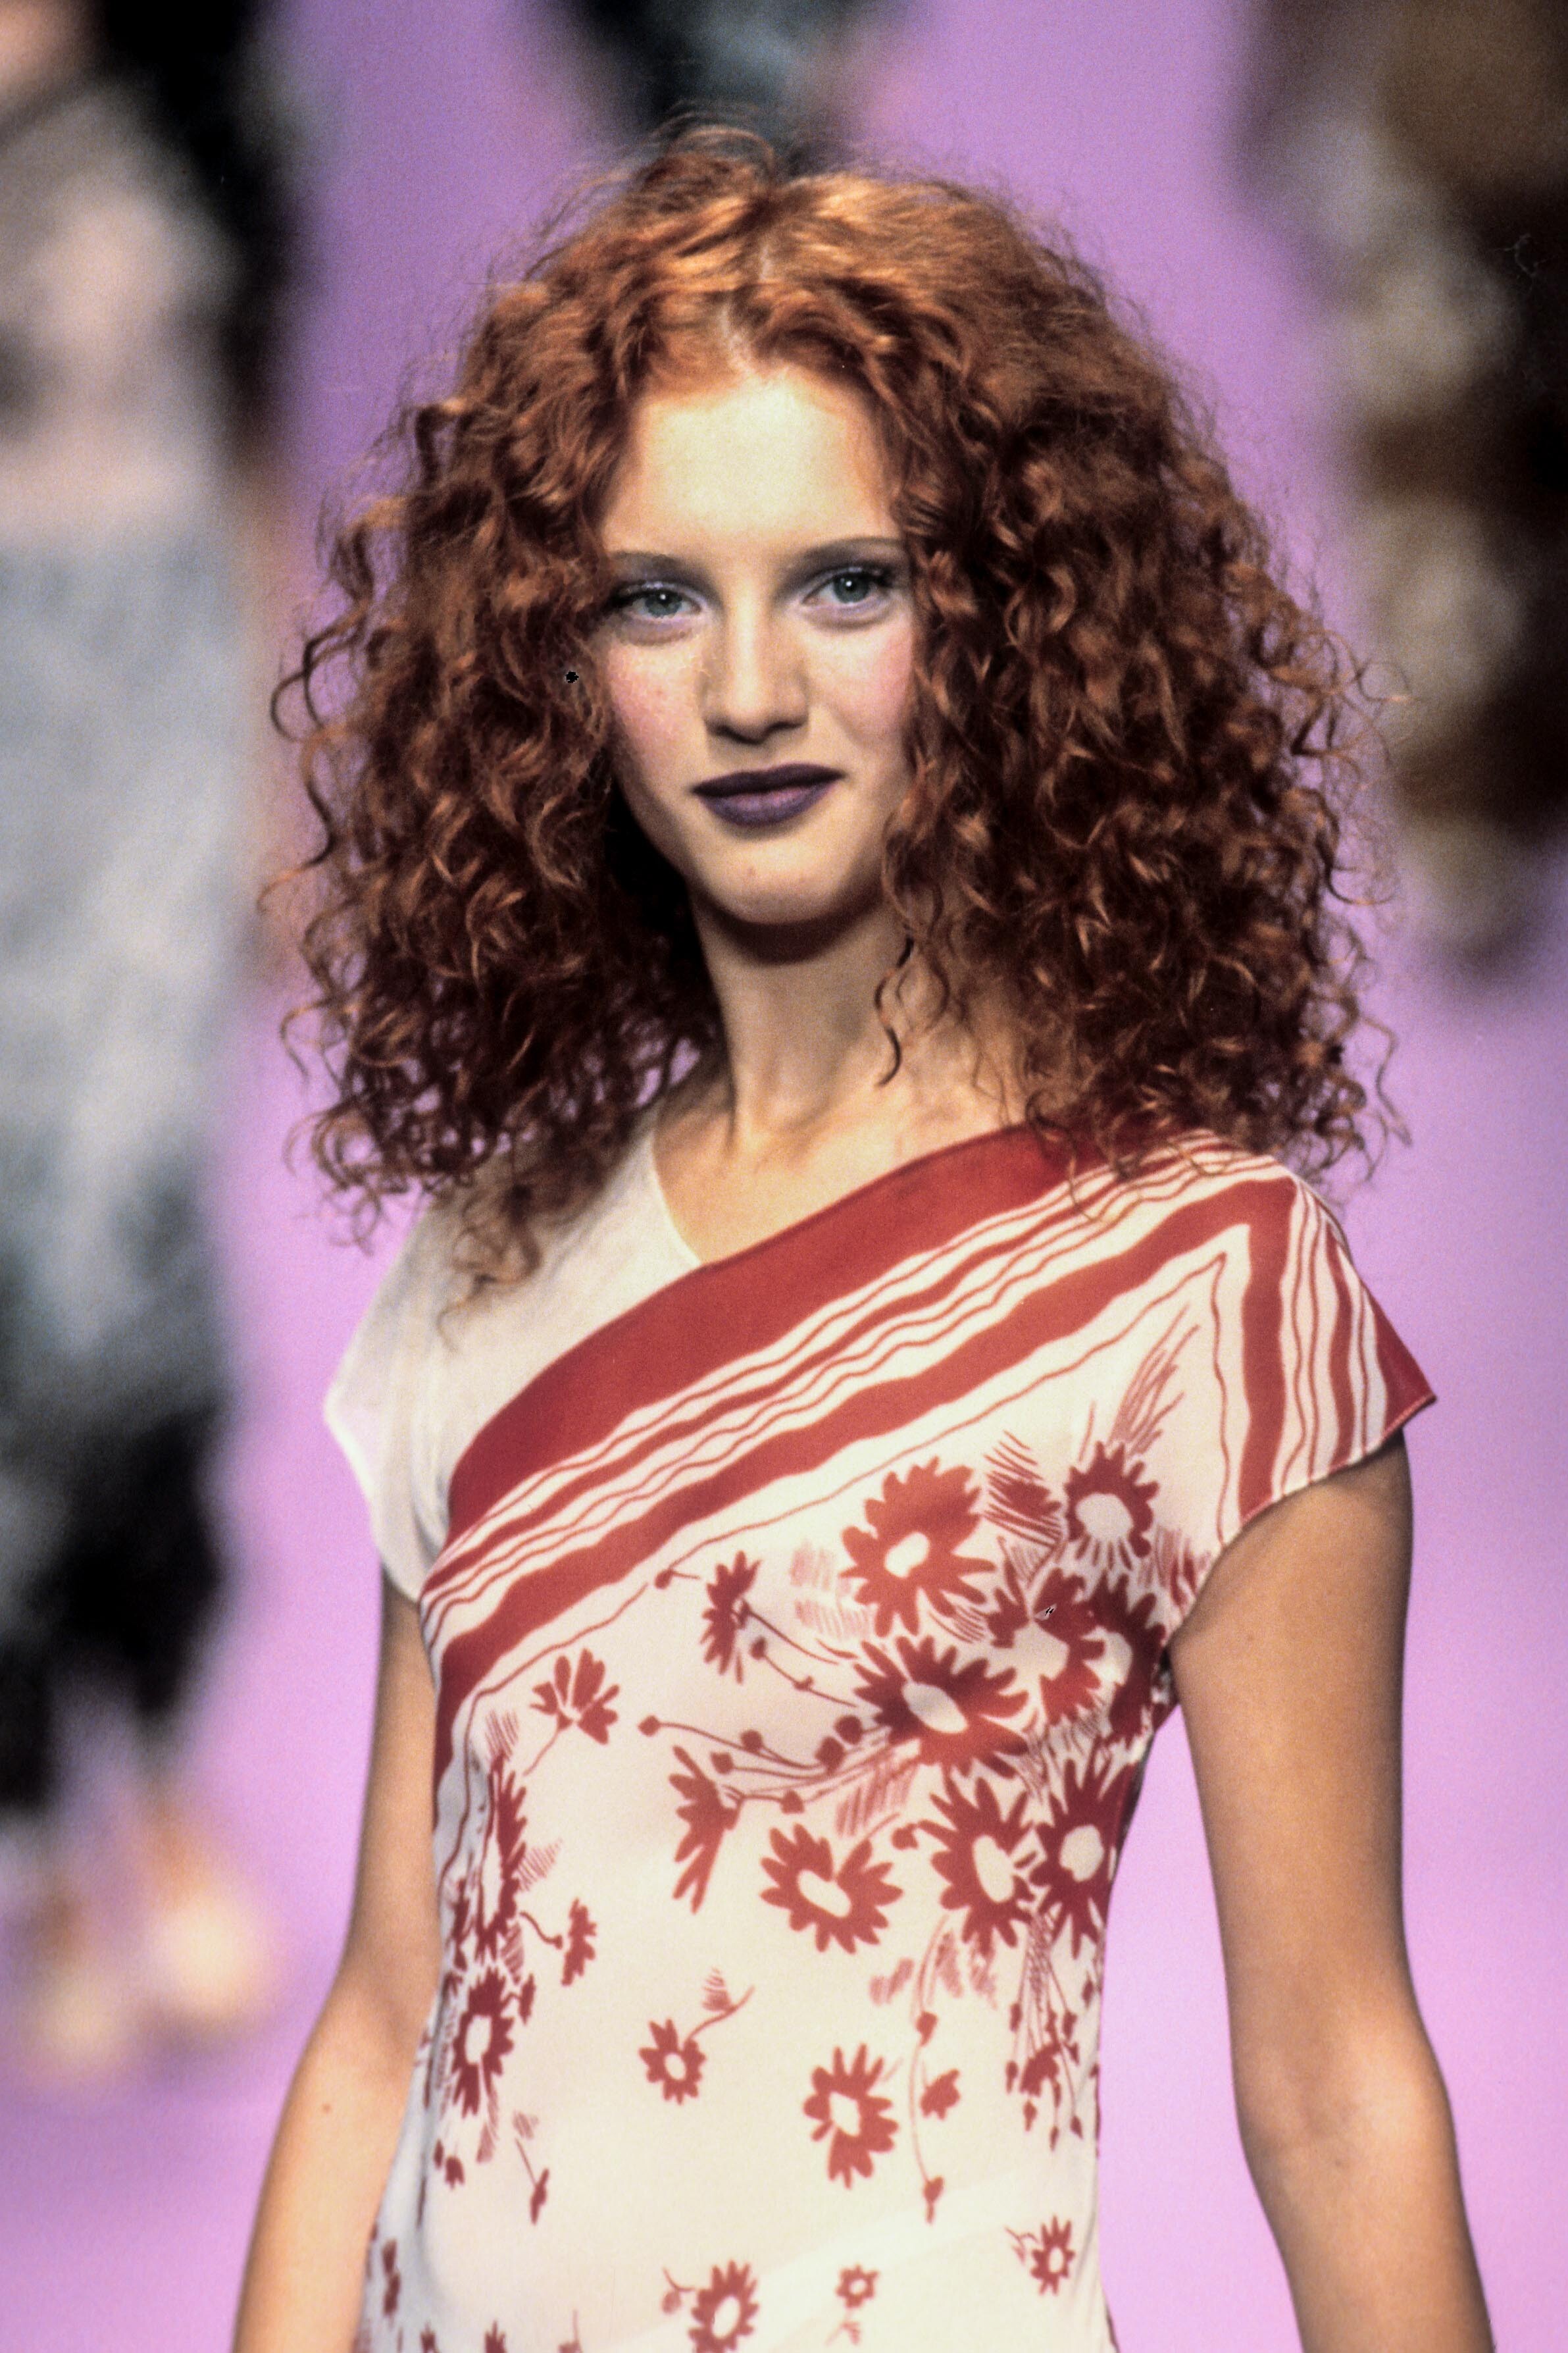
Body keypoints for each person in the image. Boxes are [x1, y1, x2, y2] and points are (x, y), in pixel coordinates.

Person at [236, 134, 1492, 2353]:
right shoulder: (489, 1266)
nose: (746, 688)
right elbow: (380, 2017)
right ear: (553, 668)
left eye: (845, 584)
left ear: (1000, 621)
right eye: (654, 599)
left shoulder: (1200, 1287)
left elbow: (1334, 2089)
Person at [0, 0, 290, 2077]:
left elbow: (248, 427)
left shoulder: (195, 101)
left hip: (164, 711)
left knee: (130, 1236)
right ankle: (39, 1845)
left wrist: (286, 772)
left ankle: (168, 1786)